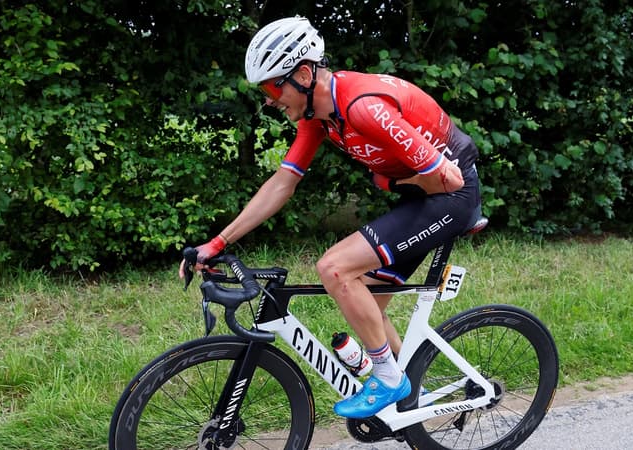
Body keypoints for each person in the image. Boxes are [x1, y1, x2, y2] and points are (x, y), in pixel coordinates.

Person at [179, 16, 482, 419]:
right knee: (369, 307)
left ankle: (390, 378)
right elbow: (281, 184)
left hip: (449, 196)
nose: (269, 100)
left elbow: (448, 179)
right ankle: (414, 405)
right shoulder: (320, 116)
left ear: (304, 74)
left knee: (335, 268)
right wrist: (217, 243)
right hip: (421, 196)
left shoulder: (363, 108)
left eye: (273, 87)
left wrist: (390, 183)